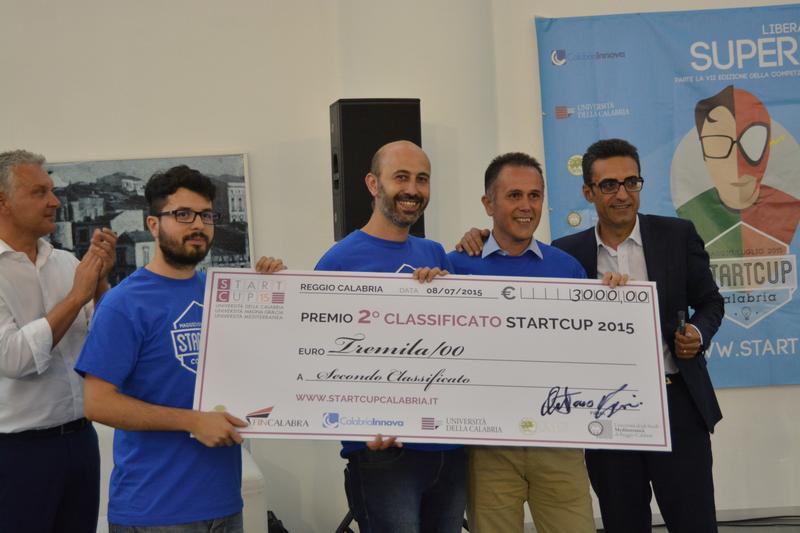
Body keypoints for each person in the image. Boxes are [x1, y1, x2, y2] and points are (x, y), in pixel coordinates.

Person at [457, 139, 724, 532]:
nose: (622, 194)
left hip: (676, 402)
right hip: (604, 411)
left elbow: (711, 301)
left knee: (694, 522)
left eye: (631, 182)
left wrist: (697, 333)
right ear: (588, 192)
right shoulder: (568, 254)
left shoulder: (677, 235)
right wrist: (480, 236)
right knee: (622, 521)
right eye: (609, 185)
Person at [75, 165, 286, 531]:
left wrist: (279, 291)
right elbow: (97, 403)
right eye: (183, 214)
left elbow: (264, 361)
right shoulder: (124, 303)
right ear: (154, 225)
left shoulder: (225, 295)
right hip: (154, 511)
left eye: (206, 215)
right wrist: (192, 421)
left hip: (224, 502)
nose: (198, 225)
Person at [315, 140, 466, 533]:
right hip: (384, 453)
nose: (412, 189)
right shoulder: (339, 261)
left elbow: (459, 345)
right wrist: (359, 426)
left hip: (448, 447)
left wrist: (448, 297)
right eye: (401, 177)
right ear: (373, 184)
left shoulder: (435, 254)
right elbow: (320, 358)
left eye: (422, 179)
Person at [447, 152, 595, 533]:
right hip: (489, 445)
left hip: (559, 441)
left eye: (534, 195)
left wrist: (615, 301)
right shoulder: (456, 266)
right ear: (488, 204)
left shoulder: (567, 268)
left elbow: (591, 349)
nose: (526, 206)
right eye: (514, 195)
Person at [0, 149, 117, 532]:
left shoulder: (67, 263)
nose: (54, 201)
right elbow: (14, 359)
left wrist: (99, 284)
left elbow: (103, 343)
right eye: (39, 192)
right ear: (2, 201)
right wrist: (76, 297)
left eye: (51, 190)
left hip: (80, 441)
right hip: (16, 452)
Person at [678, 85, 800, 251]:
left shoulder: (791, 209)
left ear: (768, 148)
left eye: (751, 140)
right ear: (704, 154)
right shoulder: (686, 218)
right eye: (718, 143)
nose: (737, 161)